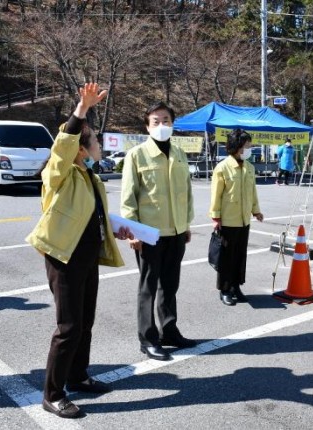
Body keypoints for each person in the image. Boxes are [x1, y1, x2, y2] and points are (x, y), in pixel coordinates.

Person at [26, 83, 133, 419]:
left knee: (85, 322)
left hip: (86, 257)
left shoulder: (91, 177)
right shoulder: (58, 173)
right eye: (96, 141)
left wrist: (118, 227)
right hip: (64, 257)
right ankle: (53, 394)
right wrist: (81, 110)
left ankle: (79, 375)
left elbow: (90, 214)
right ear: (81, 149)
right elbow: (61, 149)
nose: (100, 145)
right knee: (69, 326)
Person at [121, 101, 196, 361]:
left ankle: (169, 331)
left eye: (166, 120)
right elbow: (128, 197)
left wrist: (185, 225)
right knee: (148, 287)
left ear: (172, 123)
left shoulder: (179, 153)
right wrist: (132, 232)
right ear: (147, 126)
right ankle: (148, 338)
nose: (161, 125)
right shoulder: (137, 155)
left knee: (170, 285)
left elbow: (186, 193)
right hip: (148, 233)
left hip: (176, 231)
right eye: (156, 121)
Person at [209, 128, 264, 306]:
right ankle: (224, 289)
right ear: (236, 147)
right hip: (228, 220)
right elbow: (216, 195)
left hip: (244, 220)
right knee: (226, 257)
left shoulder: (250, 167)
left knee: (240, 255)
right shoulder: (222, 168)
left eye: (249, 145)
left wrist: (256, 210)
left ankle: (236, 286)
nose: (249, 149)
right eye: (246, 146)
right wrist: (216, 217)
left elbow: (253, 192)